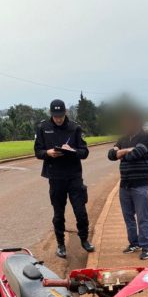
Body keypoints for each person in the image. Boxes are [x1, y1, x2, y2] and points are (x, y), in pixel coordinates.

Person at [34, 99, 94, 259]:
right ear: (51, 114)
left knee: (80, 211)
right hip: (55, 177)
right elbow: (38, 152)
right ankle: (60, 244)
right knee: (58, 213)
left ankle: (84, 239)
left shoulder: (75, 128)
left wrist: (72, 150)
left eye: (60, 116)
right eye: (55, 116)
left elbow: (85, 152)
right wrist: (48, 153)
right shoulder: (43, 128)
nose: (58, 119)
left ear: (65, 112)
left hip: (74, 176)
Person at [108, 111, 148, 260]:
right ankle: (134, 243)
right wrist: (126, 150)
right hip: (124, 185)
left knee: (142, 217)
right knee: (128, 218)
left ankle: (146, 247)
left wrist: (120, 153)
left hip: (140, 185)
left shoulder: (146, 137)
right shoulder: (123, 138)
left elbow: (136, 154)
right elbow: (110, 155)